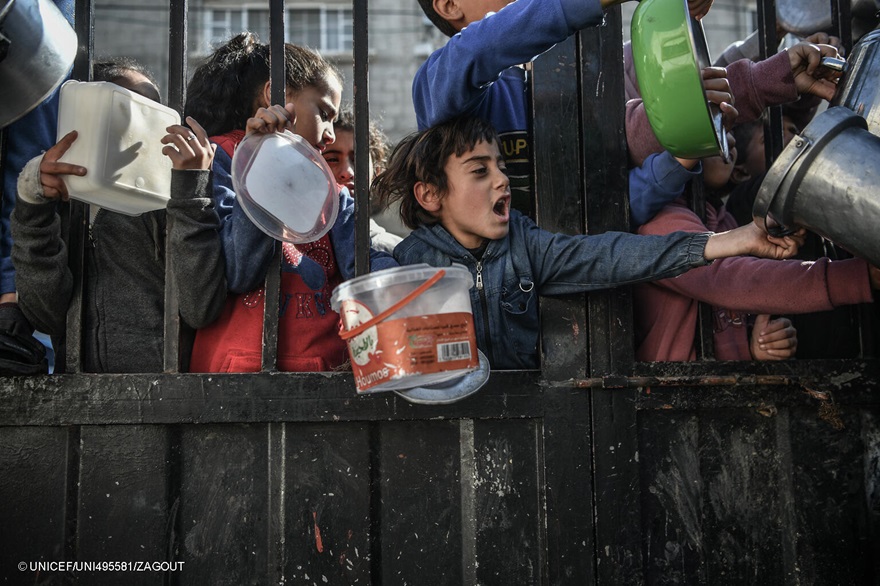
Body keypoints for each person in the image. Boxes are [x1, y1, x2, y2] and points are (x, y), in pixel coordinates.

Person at [373, 115, 803, 370]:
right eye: (479, 171)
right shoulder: (412, 262)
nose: (503, 179)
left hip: (529, 419)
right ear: (430, 195)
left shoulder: (526, 245)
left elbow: (614, 255)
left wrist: (734, 239)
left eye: (501, 167)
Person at [185, 34, 396, 373]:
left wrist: (410, 280)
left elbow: (364, 263)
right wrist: (268, 169)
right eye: (324, 113)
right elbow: (239, 271)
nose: (329, 133)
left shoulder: (328, 184)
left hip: (322, 371)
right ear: (276, 94)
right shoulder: (218, 157)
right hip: (235, 370)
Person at [10, 59, 226, 373]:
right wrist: (34, 205)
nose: (149, 126)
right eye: (131, 109)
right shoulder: (59, 199)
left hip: (166, 401)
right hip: (80, 405)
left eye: (155, 110)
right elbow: (46, 315)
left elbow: (201, 308)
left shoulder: (169, 199)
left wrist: (192, 192)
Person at [414, 0, 714, 215]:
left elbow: (600, 212)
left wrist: (679, 159)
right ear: (450, 5)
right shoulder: (438, 80)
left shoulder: (573, 83)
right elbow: (486, 43)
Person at [630, 117, 878, 362]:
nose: (730, 139)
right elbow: (729, 280)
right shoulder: (657, 225)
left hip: (724, 388)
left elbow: (732, 313)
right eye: (715, 129)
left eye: (729, 131)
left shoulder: (723, 218)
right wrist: (856, 277)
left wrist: (757, 345)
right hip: (677, 393)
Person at [322, 108, 404, 253]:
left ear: (377, 172)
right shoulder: (286, 249)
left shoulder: (397, 252)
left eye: (358, 159)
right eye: (332, 159)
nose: (348, 173)